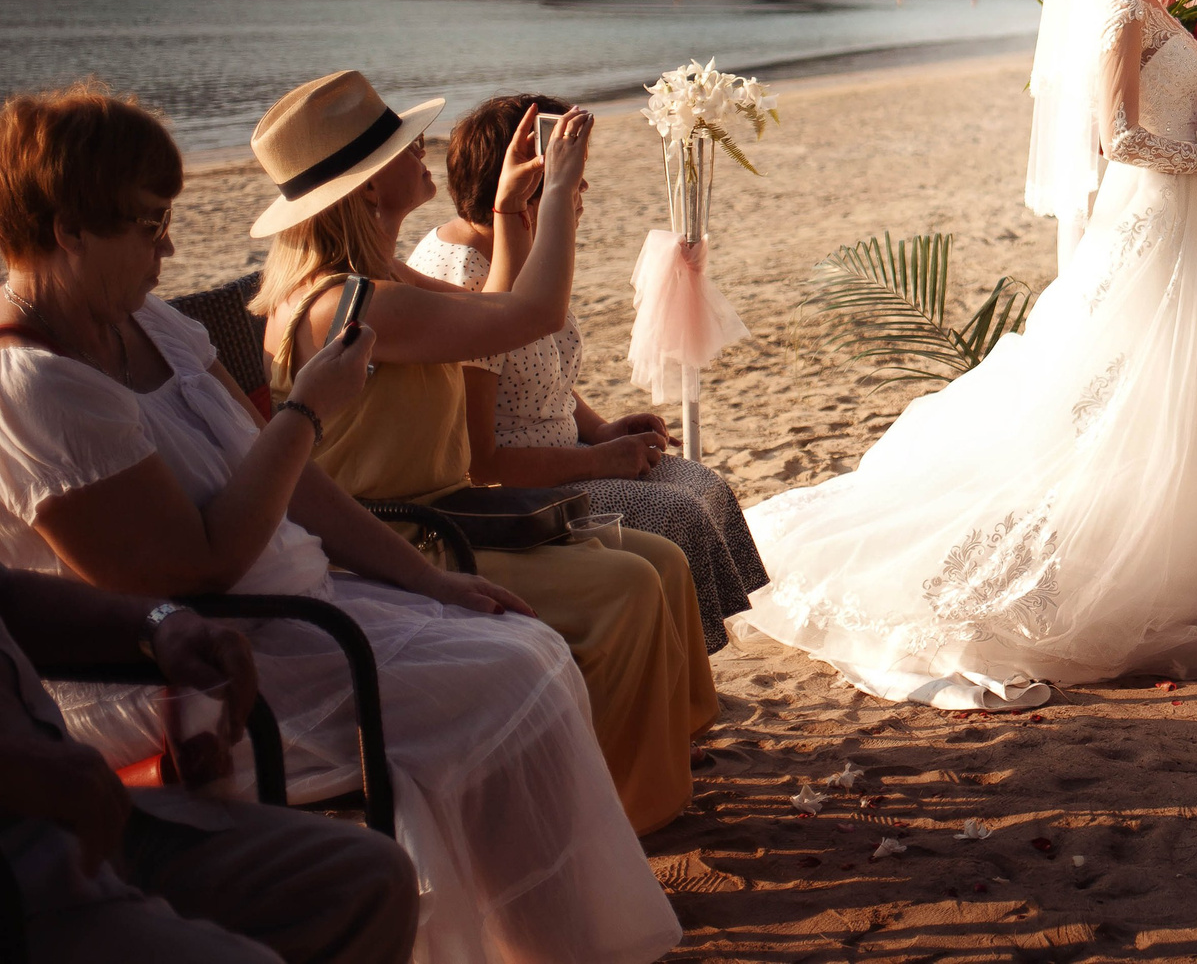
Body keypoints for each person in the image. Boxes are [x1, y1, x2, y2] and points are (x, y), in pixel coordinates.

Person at [0, 83, 681, 962]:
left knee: (526, 652)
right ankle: (546, 940)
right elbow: (198, 568)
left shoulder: (154, 325)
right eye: (148, 224)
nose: (169, 243)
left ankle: (553, 939)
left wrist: (431, 581)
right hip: (213, 658)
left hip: (302, 598)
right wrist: (307, 414)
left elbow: (301, 490)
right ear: (68, 231)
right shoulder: (37, 389)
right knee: (506, 676)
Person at [735, 0, 1197, 708]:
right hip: (1148, 216)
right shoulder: (1122, 12)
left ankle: (1188, 563)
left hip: (1178, 217)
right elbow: (1117, 137)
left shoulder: (1154, 9)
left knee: (1177, 383)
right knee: (1107, 385)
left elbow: (1172, 118)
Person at [247, 71, 717, 832]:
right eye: (402, 147)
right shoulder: (352, 303)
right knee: (626, 587)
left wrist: (508, 209)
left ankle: (657, 766)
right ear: (368, 190)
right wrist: (558, 192)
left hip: (444, 512)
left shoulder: (379, 280)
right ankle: (624, 817)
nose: (422, 149)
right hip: (397, 536)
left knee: (659, 562)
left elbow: (497, 307)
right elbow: (532, 312)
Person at [410, 92, 768, 654]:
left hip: (566, 454)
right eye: (574, 181)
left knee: (705, 486)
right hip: (519, 488)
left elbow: (539, 372)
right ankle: (673, 690)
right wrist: (597, 459)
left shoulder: (518, 248)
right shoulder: (467, 276)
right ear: (530, 186)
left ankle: (681, 681)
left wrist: (599, 429)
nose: (584, 195)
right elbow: (482, 463)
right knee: (674, 513)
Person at [0, 566, 417, 964]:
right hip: (22, 866)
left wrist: (161, 623)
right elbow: (199, 559)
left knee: (371, 881)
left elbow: (8, 594)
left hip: (81, 817)